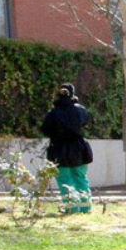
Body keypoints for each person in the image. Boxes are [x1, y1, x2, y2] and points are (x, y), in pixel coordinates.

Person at [40, 83, 93, 214]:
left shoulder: (53, 113)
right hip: (79, 149)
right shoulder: (81, 110)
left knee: (65, 180)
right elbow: (87, 122)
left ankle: (71, 208)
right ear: (73, 94)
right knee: (81, 178)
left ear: (58, 94)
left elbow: (45, 129)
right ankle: (86, 208)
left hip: (59, 149)